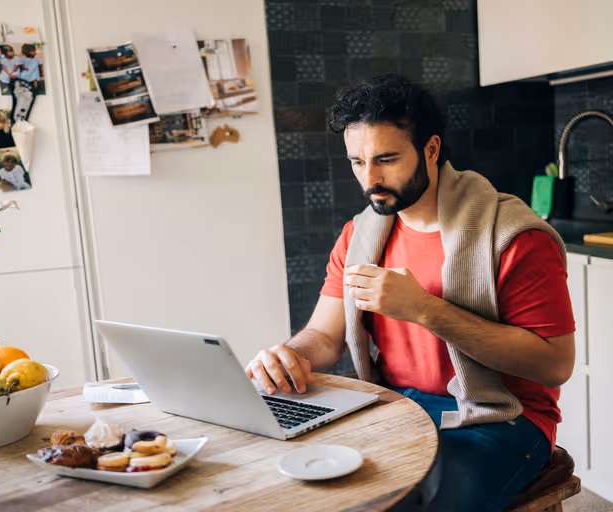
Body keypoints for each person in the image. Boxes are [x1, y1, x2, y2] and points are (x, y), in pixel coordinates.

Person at [245, 74, 575, 512]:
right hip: (398, 405)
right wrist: (286, 356)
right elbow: (323, 337)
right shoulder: (359, 237)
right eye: (357, 163)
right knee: (303, 485)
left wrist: (425, 309)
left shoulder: (514, 238)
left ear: (432, 150)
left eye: (386, 159)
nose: (370, 179)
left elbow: (554, 364)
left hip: (502, 418)